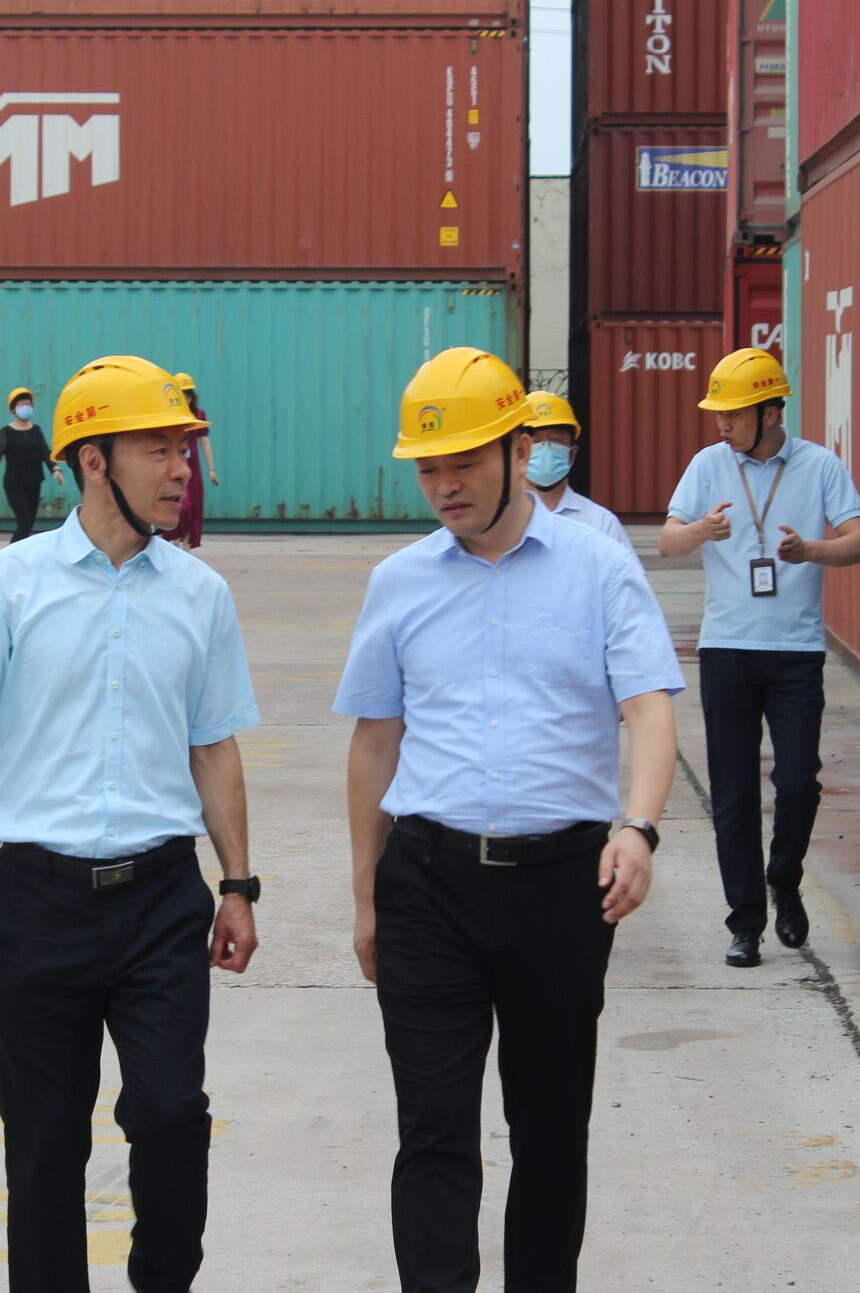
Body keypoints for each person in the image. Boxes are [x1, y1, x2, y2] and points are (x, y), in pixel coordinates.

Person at [0, 354, 261, 1293]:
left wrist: (238, 885)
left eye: (184, 450)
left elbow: (214, 746)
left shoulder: (201, 594)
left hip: (161, 900)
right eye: (159, 449)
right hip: (37, 903)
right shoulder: (8, 583)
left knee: (170, 1116)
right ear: (94, 461)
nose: (181, 469)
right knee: (44, 1145)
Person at [336, 347, 685, 1293]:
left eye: (464, 464)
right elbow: (374, 744)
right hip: (428, 885)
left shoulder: (599, 567)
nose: (444, 487)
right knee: (434, 1130)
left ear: (520, 452)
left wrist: (638, 826)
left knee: (550, 1129)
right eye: (428, 469)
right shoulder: (400, 582)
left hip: (562, 889)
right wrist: (367, 898)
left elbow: (649, 706)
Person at [656, 349, 860, 969]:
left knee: (798, 782)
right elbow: (668, 541)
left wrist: (811, 551)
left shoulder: (819, 465)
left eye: (732, 413)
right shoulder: (708, 465)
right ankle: (745, 922)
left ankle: (784, 877)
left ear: (771, 412)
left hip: (795, 652)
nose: (721, 424)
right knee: (733, 794)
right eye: (718, 413)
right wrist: (700, 531)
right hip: (726, 650)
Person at [521, 390, 633, 551]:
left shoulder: (602, 525)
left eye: (556, 441)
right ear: (518, 452)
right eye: (535, 441)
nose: (545, 449)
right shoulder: (498, 524)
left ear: (571, 455)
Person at [0, 385, 60, 542]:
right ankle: (11, 554)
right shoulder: (6, 432)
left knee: (29, 524)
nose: (25, 407)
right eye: (21, 404)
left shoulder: (36, 430)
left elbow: (45, 452)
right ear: (13, 409)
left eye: (28, 403)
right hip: (14, 484)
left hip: (34, 482)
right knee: (24, 522)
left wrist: (55, 468)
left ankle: (19, 555)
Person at [166, 373, 218, 550]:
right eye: (182, 395)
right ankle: (174, 542)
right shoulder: (170, 415)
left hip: (193, 468)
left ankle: (187, 547)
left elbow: (205, 441)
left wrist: (211, 470)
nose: (186, 398)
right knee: (180, 506)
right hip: (175, 465)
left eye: (188, 394)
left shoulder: (198, 414)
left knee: (194, 508)